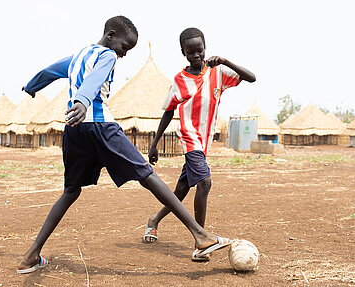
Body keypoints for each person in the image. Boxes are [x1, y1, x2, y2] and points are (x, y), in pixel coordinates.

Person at [17, 16, 232, 274]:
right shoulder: (107, 55)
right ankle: (200, 235)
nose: (123, 54)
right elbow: (95, 79)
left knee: (71, 191)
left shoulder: (78, 56)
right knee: (147, 174)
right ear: (110, 35)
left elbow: (50, 71)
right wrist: (84, 101)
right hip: (100, 126)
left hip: (74, 131)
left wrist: (32, 86)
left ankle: (31, 255)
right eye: (124, 47)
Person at [143, 27, 255, 261]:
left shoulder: (218, 73)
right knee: (204, 183)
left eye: (200, 50)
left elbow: (251, 77)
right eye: (190, 51)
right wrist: (154, 143)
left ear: (205, 48)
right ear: (183, 52)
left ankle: (154, 219)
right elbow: (168, 112)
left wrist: (226, 61)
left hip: (204, 142)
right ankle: (201, 241)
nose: (196, 55)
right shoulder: (179, 80)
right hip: (189, 136)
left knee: (181, 190)